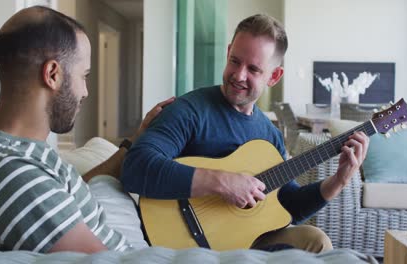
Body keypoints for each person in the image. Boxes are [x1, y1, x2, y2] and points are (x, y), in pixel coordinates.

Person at [121, 14, 369, 252]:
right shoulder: (189, 110)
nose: (239, 75)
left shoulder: (269, 135)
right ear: (228, 52)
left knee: (316, 240)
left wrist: (339, 180)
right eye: (235, 61)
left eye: (253, 69)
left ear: (274, 76)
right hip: (183, 241)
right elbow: (135, 167)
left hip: (244, 241)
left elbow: (288, 204)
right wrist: (222, 182)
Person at [0, 6, 174, 253]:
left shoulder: (15, 157)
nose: (85, 92)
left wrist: (133, 142)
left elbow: (62, 199)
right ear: (53, 74)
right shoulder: (14, 174)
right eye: (84, 76)